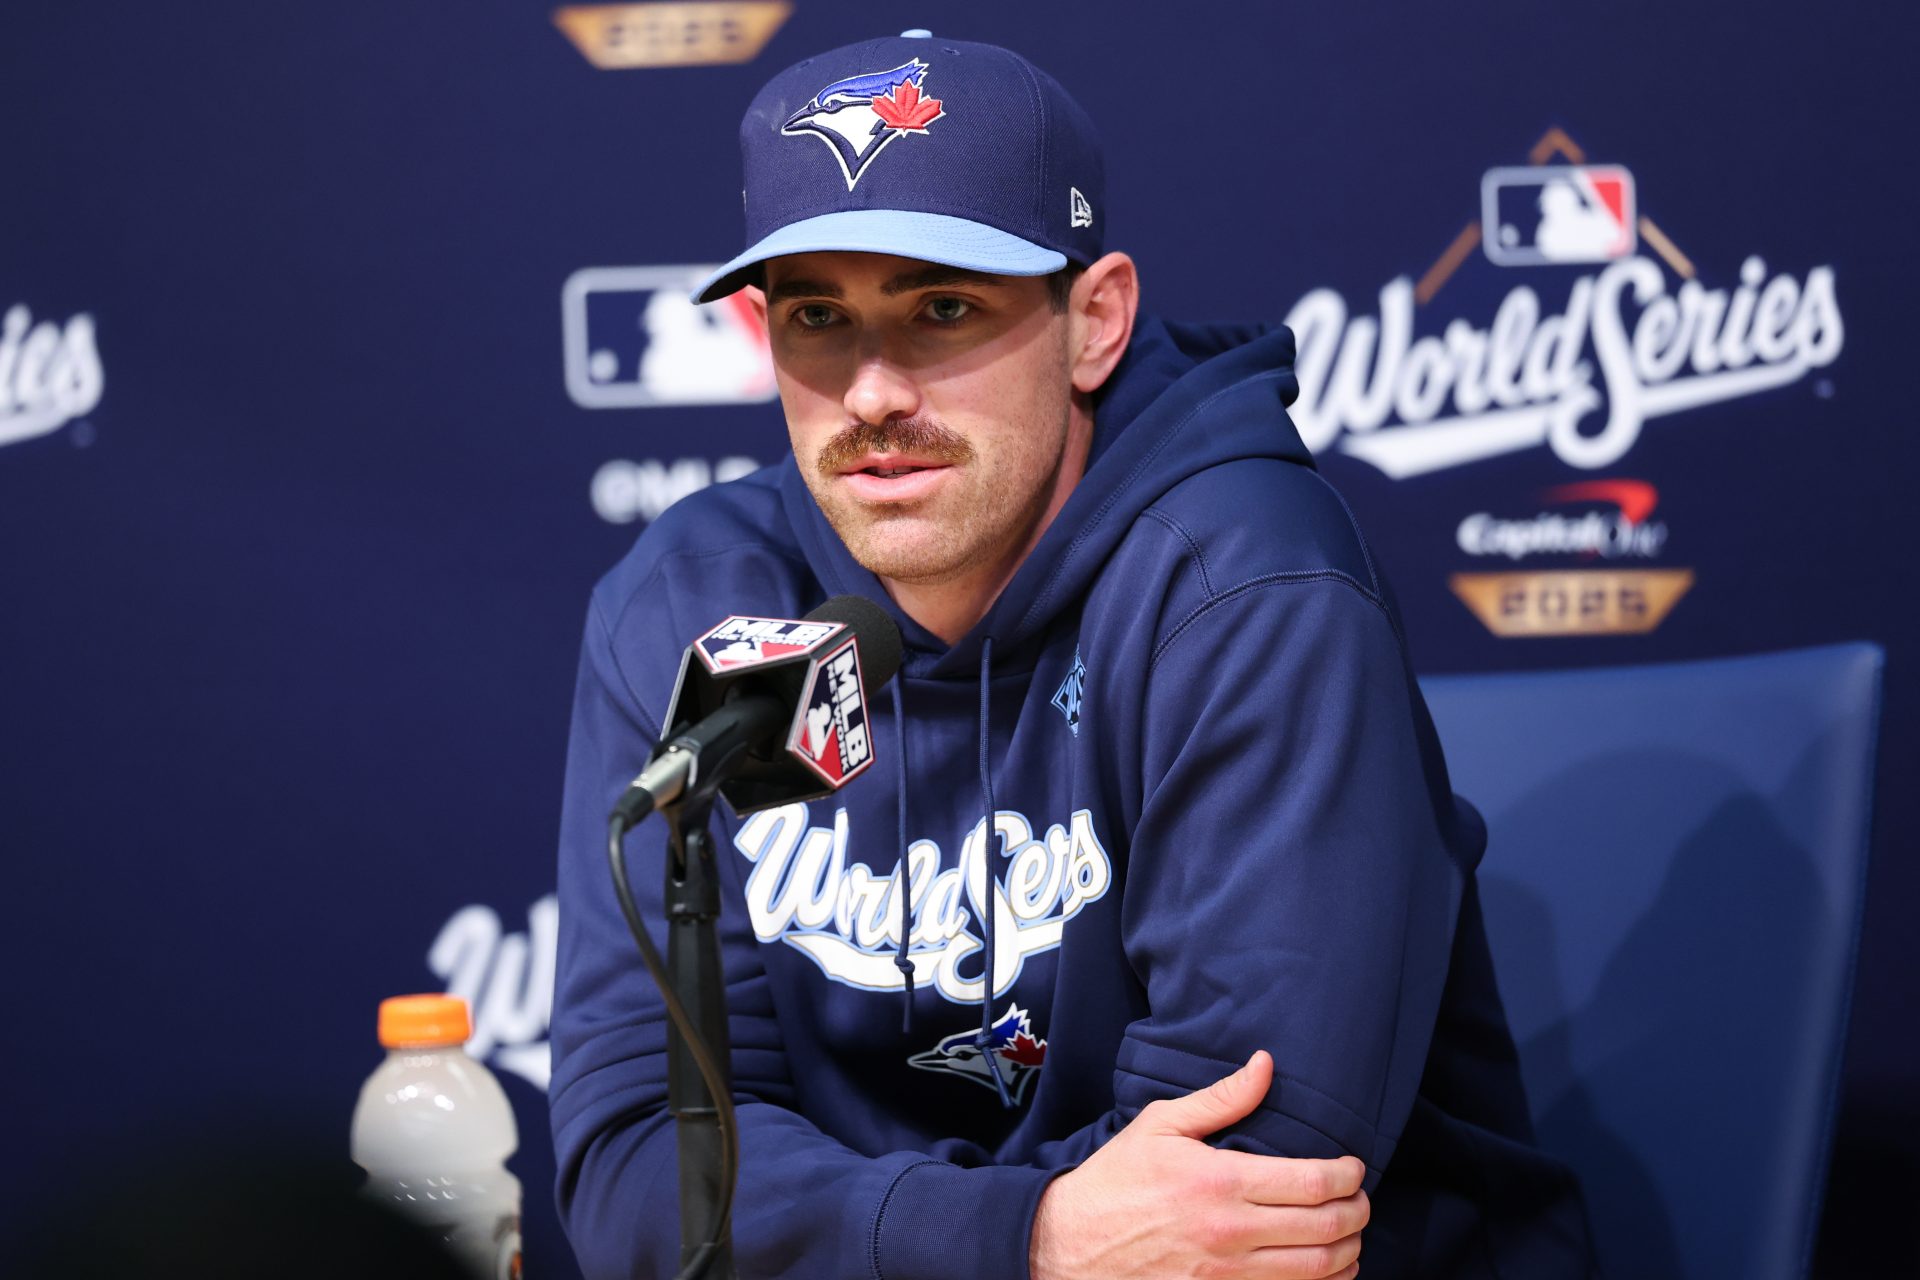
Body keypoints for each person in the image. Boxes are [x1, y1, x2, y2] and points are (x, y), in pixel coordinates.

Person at [550, 30, 1596, 1280]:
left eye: (945, 307)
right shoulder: (688, 605)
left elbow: (1245, 1195)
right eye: (819, 316)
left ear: (1093, 320)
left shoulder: (1247, 585)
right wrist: (1027, 1241)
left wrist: (846, 1236)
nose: (874, 390)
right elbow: (641, 1166)